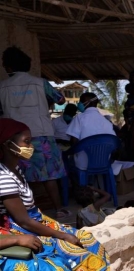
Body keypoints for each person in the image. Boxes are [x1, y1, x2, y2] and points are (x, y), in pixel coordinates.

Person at [0, 118, 110, 270]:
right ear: (7, 144)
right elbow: (24, 221)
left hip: (35, 222)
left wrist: (59, 231)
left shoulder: (15, 169)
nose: (31, 147)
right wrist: (62, 235)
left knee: (87, 240)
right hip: (24, 227)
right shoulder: (4, 177)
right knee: (72, 256)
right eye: (26, 142)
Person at [0, 46, 70, 219]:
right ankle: (59, 209)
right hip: (42, 133)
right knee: (49, 175)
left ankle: (25, 212)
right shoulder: (40, 83)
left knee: (17, 172)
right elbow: (61, 99)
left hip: (15, 136)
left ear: (8, 67)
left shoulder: (2, 86)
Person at [66, 92, 116, 170]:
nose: (79, 104)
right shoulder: (106, 121)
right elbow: (114, 143)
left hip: (84, 164)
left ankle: (81, 181)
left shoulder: (79, 118)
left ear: (87, 103)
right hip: (105, 163)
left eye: (81, 101)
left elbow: (73, 142)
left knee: (66, 161)